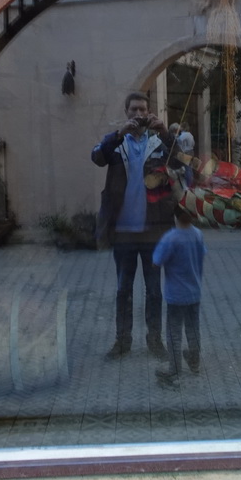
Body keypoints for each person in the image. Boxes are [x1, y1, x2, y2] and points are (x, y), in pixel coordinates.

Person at [92, 91, 177, 361]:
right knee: (122, 289)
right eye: (134, 111)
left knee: (154, 291)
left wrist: (165, 133)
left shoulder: (158, 143)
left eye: (143, 110)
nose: (139, 115)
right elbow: (97, 157)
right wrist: (118, 134)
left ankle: (155, 340)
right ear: (127, 113)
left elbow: (181, 161)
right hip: (123, 232)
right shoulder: (117, 143)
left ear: (150, 113)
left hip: (154, 230)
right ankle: (122, 341)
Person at [153, 205, 206, 387]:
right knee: (193, 329)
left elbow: (156, 261)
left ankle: (174, 371)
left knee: (173, 333)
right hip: (194, 292)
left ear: (175, 217)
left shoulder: (171, 238)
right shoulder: (198, 234)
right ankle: (194, 361)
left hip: (175, 294)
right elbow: (201, 256)